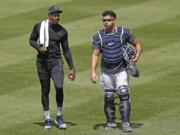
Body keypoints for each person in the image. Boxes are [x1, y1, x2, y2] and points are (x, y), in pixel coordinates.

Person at [91, 10, 141, 133]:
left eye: (108, 20)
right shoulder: (99, 36)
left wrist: (137, 56)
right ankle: (110, 122)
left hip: (121, 70)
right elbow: (95, 54)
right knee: (109, 96)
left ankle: (125, 123)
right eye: (104, 20)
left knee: (123, 92)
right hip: (106, 71)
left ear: (114, 20)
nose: (106, 22)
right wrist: (92, 71)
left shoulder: (124, 32)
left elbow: (137, 44)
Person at [29, 5, 75, 129]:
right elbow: (32, 40)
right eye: (55, 15)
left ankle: (59, 116)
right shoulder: (39, 26)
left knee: (59, 87)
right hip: (42, 62)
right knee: (45, 89)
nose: (57, 17)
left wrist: (72, 67)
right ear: (49, 16)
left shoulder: (62, 31)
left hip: (56, 62)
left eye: (58, 15)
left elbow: (66, 50)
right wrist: (39, 48)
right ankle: (47, 118)